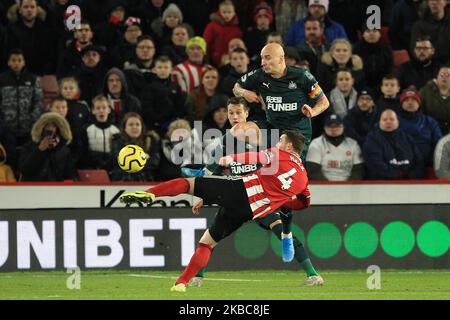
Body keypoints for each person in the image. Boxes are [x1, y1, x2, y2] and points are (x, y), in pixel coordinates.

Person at [120, 130, 313, 292]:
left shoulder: (280, 154)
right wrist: (281, 202)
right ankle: (180, 284)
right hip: (250, 211)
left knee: (187, 184)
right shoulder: (304, 178)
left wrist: (232, 158)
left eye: (281, 140)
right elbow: (304, 203)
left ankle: (150, 194)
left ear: (289, 146)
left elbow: (258, 156)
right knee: (207, 243)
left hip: (239, 190)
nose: (277, 143)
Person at [183, 97, 323, 288]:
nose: (234, 116)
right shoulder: (225, 141)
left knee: (283, 233)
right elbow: (213, 170)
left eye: (238, 112)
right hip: (236, 196)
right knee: (212, 235)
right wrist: (201, 196)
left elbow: (280, 159)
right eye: (230, 112)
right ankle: (197, 277)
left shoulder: (264, 136)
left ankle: (313, 275)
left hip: (262, 197)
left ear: (247, 113)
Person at [233, 43, 330, 162]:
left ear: (281, 58)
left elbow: (324, 102)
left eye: (267, 57)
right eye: (262, 58)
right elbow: (236, 88)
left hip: (296, 133)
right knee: (238, 130)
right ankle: (257, 160)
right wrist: (244, 93)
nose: (263, 62)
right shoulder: (259, 75)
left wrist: (313, 111)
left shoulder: (302, 76)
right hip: (272, 128)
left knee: (284, 167)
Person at [363, 109, 425, 180]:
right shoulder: (372, 139)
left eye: (392, 119)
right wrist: (396, 175)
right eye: (384, 120)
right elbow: (374, 163)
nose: (388, 122)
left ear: (398, 122)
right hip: (382, 183)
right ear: (379, 122)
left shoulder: (407, 137)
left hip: (409, 182)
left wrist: (414, 175)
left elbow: (419, 159)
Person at [0, 49, 43, 147]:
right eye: (13, 60)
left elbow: (38, 101)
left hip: (28, 127)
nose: (16, 63)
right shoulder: (2, 79)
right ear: (8, 62)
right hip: (6, 128)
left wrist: (32, 119)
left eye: (19, 60)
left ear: (24, 62)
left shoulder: (33, 79)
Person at [19, 112, 76, 181]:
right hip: (33, 188)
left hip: (55, 189)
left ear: (59, 130)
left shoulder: (64, 151)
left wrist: (56, 149)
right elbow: (24, 170)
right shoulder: (29, 147)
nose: (50, 129)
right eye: (47, 125)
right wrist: (39, 150)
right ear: (41, 128)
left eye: (54, 126)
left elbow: (69, 176)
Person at [306, 113, 364, 181]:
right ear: (324, 128)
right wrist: (329, 188)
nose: (333, 129)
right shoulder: (316, 144)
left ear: (343, 127)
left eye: (337, 126)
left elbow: (358, 170)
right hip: (322, 187)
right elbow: (313, 170)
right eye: (330, 126)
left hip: (348, 187)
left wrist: (348, 187)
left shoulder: (353, 144)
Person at [5, 0, 56, 75]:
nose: (29, 10)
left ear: (37, 10)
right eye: (25, 7)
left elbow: (50, 55)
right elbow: (7, 54)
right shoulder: (11, 30)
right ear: (20, 10)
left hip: (42, 73)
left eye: (32, 7)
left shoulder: (45, 29)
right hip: (18, 74)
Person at [140, 55, 186, 135]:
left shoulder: (175, 86)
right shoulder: (149, 87)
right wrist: (157, 122)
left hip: (173, 126)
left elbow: (180, 107)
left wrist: (174, 122)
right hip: (156, 126)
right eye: (160, 67)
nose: (163, 70)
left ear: (171, 69)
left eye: (165, 67)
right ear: (154, 70)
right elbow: (147, 108)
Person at [398, 85, 442, 166]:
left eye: (413, 100)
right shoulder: (394, 121)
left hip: (425, 163)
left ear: (419, 104)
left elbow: (439, 143)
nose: (410, 102)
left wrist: (431, 160)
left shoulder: (430, 122)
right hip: (399, 161)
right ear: (401, 103)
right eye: (406, 100)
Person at [110, 112, 160, 181]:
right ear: (125, 128)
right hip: (122, 180)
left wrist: (129, 159)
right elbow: (116, 161)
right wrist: (142, 158)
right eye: (131, 124)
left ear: (142, 127)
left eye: (137, 124)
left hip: (145, 180)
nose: (134, 127)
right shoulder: (117, 141)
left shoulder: (150, 140)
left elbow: (154, 161)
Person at [80, 95, 120, 171]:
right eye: (98, 108)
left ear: (109, 110)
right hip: (93, 167)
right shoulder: (86, 129)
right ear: (93, 110)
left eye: (104, 107)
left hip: (112, 167)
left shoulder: (116, 130)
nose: (101, 110)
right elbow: (83, 152)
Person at [352, 25, 393, 91]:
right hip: (360, 86)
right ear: (363, 34)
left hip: (382, 86)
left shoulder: (386, 48)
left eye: (374, 31)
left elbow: (389, 69)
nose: (371, 34)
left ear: (379, 34)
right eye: (368, 31)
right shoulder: (356, 49)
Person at [202, 0, 242, 67]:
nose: (226, 15)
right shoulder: (212, 26)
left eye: (229, 12)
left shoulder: (237, 30)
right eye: (224, 12)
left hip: (231, 61)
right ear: (219, 12)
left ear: (234, 13)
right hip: (213, 61)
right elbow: (206, 43)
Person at [410, 0, 450, 64]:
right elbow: (416, 53)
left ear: (446, 2)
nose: (433, 2)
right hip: (429, 67)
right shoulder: (419, 26)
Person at [420, 64, 450, 134]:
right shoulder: (425, 91)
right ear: (437, 77)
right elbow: (420, 113)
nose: (444, 77)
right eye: (441, 75)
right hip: (429, 130)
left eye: (448, 75)